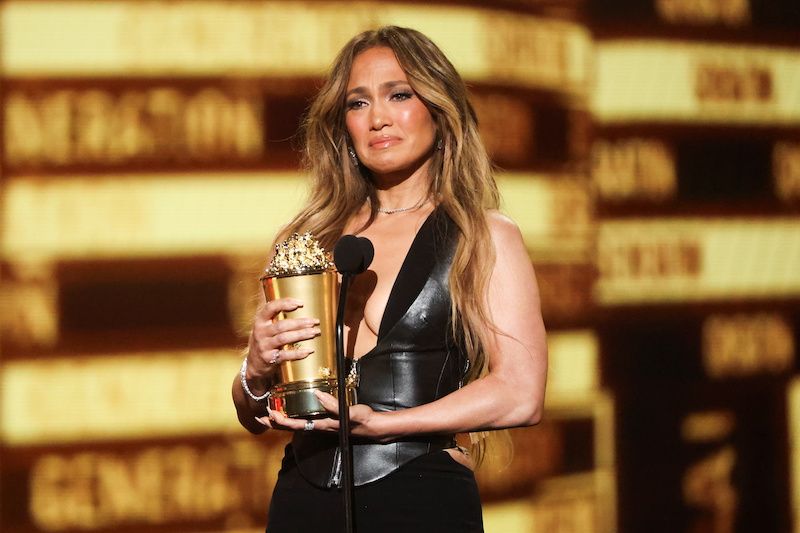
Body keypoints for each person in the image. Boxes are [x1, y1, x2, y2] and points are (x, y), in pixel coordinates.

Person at [232, 26, 547, 532]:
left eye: (399, 95)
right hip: (302, 499)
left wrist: (385, 425)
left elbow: (521, 392)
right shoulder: (308, 240)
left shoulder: (482, 236)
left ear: (439, 112)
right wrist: (253, 368)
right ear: (343, 127)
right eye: (358, 104)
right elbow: (254, 413)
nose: (377, 118)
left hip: (421, 497)